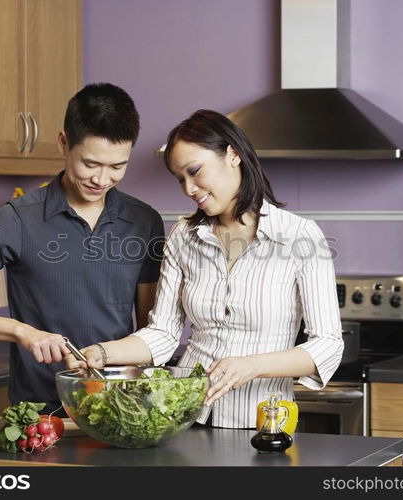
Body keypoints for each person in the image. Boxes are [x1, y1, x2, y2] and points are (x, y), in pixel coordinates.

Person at [68, 109, 344, 429]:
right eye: (180, 178)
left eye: (195, 171)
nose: (188, 188)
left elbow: (328, 344)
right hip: (186, 416)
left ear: (233, 155)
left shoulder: (299, 236)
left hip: (262, 422)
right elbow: (163, 333)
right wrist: (103, 353)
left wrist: (254, 365)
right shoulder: (183, 235)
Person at [0, 83, 165, 413]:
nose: (102, 179)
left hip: (119, 410)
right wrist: (22, 333)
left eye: (117, 167)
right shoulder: (16, 220)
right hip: (38, 415)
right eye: (91, 164)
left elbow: (151, 328)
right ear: (64, 144)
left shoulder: (144, 221)